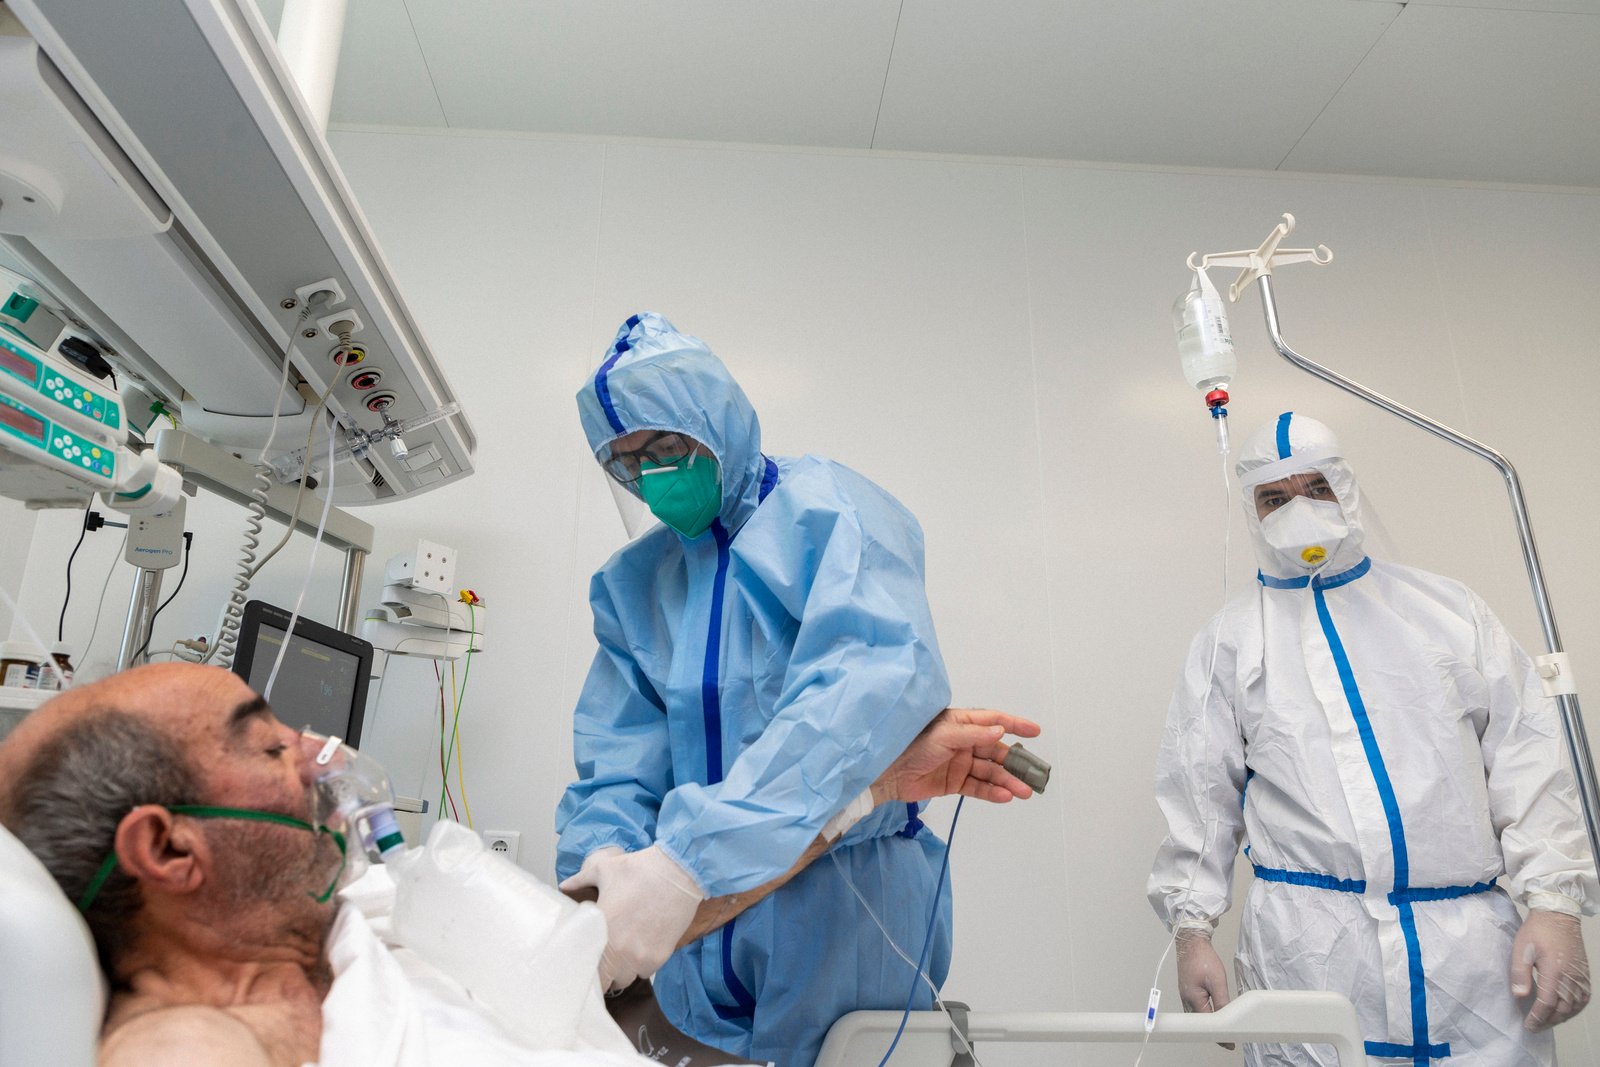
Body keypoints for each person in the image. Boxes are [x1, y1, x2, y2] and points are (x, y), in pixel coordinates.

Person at [0, 662, 1037, 1066]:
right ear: (169, 846)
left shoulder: (374, 915)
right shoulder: (197, 1034)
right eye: (269, 746)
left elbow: (644, 918)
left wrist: (869, 788)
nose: (321, 754)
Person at [557, 313, 966, 1066]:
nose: (651, 478)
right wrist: (603, 873)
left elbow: (857, 698)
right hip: (696, 936)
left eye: (665, 449)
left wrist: (689, 859)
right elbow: (619, 756)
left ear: (716, 424)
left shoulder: (826, 514)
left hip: (845, 908)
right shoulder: (635, 586)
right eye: (628, 462)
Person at [1148, 411, 1596, 1066]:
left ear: (1346, 487)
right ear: (1251, 508)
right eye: (1274, 497)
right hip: (1312, 954)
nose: (1296, 510)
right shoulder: (1230, 641)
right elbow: (1199, 795)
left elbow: (1530, 758)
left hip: (1467, 958)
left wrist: (1555, 904)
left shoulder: (1447, 613)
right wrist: (1192, 932)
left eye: (1316, 487)